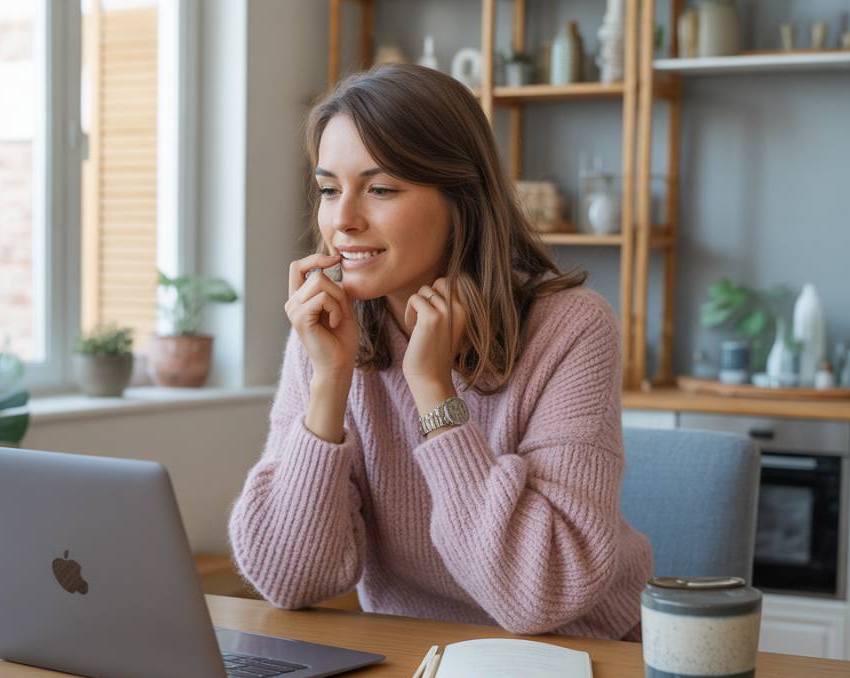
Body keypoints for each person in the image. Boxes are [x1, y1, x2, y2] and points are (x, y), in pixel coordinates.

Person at [229, 65, 652, 640]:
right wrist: (329, 381)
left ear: (461, 198)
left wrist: (434, 392)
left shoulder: (571, 330)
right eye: (329, 189)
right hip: (414, 665)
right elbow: (291, 579)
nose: (343, 220)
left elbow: (543, 595)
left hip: (582, 661)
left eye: (380, 189)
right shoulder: (328, 333)